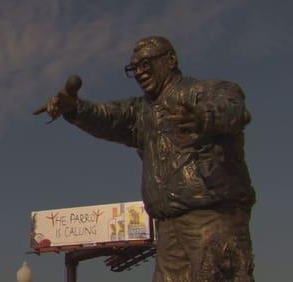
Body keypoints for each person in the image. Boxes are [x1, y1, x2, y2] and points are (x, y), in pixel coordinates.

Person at [43, 36, 256, 281]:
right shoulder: (142, 112)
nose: (140, 73)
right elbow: (108, 117)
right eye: (134, 68)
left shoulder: (207, 91)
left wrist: (203, 117)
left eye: (146, 64)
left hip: (211, 217)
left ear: (171, 60)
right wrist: (74, 108)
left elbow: (235, 111)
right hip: (167, 226)